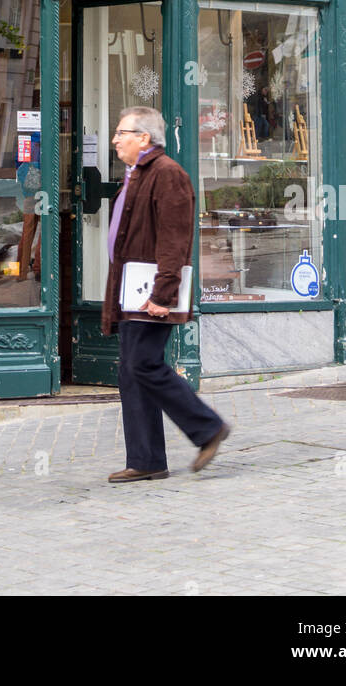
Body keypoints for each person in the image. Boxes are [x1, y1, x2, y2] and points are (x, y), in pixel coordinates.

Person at [102, 106, 231, 484]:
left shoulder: (167, 174)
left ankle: (207, 428)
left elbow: (175, 241)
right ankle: (145, 460)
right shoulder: (138, 174)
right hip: (131, 291)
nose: (115, 139)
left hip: (150, 292)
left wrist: (163, 293)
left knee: (143, 365)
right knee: (132, 371)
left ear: (144, 138)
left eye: (121, 132)